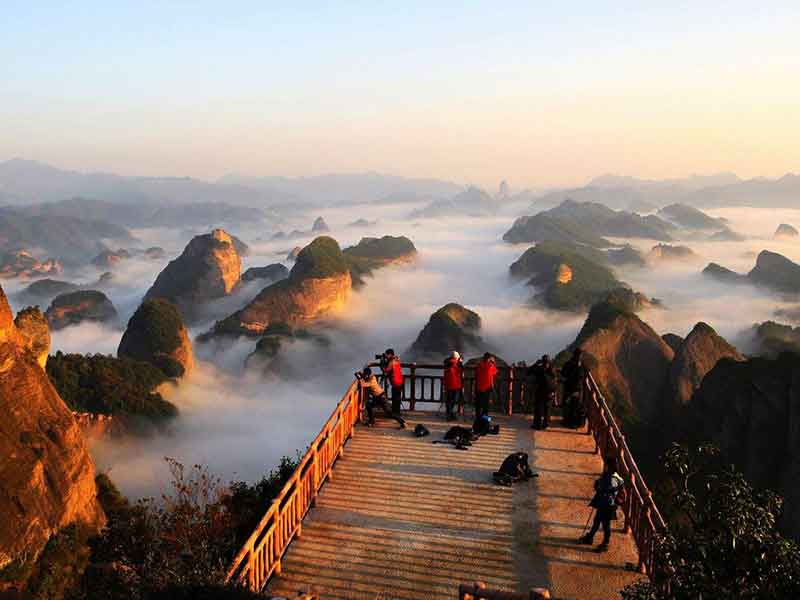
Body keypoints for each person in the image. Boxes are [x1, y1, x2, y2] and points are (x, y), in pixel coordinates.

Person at [579, 456, 625, 552]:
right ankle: (591, 537)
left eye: (606, 465)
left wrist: (598, 486)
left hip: (607, 505)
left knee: (605, 525)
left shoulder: (611, 478)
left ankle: (605, 543)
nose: (605, 467)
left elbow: (603, 488)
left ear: (610, 467)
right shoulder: (615, 477)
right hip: (606, 504)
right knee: (597, 521)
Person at [561, 347, 588, 429]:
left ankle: (568, 422)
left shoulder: (569, 363)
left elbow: (563, 373)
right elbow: (587, 371)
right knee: (575, 406)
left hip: (569, 388)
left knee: (569, 406)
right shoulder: (582, 365)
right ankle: (573, 423)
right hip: (578, 389)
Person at [529, 354, 557, 430]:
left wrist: (536, 363)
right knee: (547, 408)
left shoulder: (539, 368)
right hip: (550, 392)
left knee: (538, 408)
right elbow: (555, 380)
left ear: (542, 361)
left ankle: (537, 425)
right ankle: (546, 424)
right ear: (549, 361)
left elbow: (529, 371)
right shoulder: (552, 369)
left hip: (540, 391)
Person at [474, 352, 497, 418]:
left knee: (478, 403)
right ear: (489, 358)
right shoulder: (490, 365)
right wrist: (493, 362)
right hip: (487, 387)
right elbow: (495, 372)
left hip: (479, 386)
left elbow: (476, 374)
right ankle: (484, 417)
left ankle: (478, 416)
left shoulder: (479, 365)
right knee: (485, 404)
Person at [383, 349, 405, 419]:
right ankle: (397, 413)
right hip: (400, 381)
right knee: (397, 398)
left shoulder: (391, 362)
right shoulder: (396, 360)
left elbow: (386, 370)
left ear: (389, 354)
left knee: (395, 399)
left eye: (386, 354)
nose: (385, 356)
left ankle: (395, 414)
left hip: (395, 382)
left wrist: (383, 364)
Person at [443, 351, 464, 420]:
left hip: (447, 384)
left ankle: (449, 414)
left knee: (448, 400)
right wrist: (460, 363)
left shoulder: (447, 363)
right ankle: (450, 415)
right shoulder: (457, 363)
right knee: (452, 400)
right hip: (455, 384)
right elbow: (460, 371)